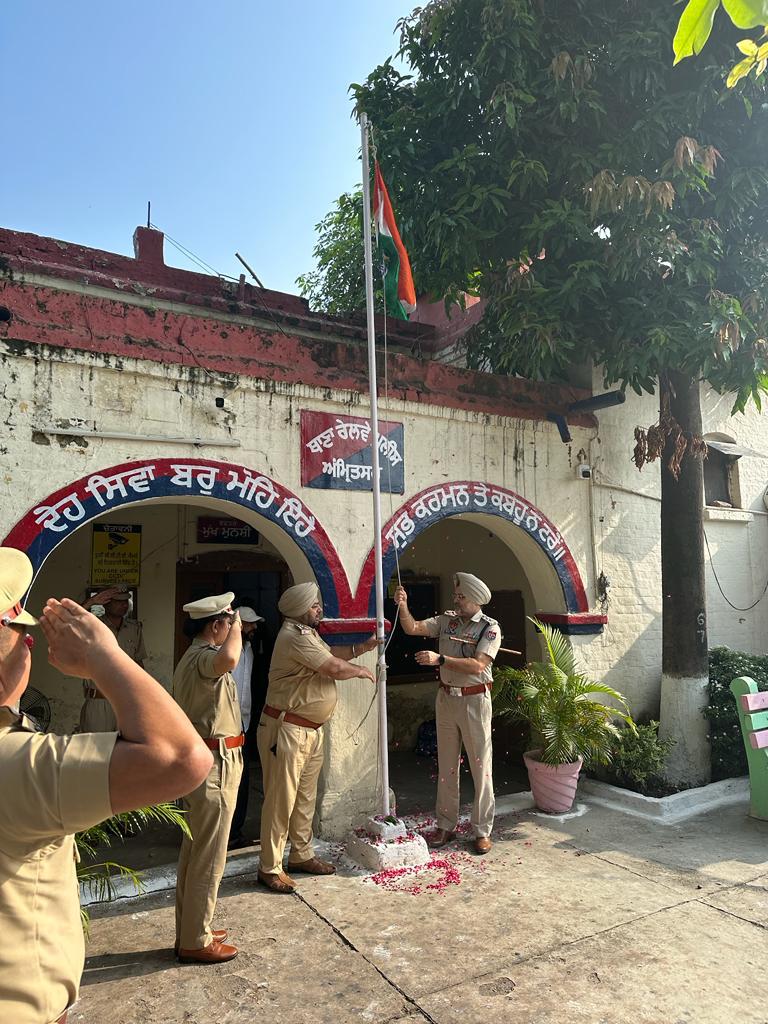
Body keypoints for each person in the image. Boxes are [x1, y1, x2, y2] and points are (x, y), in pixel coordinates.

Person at [0, 547, 212, 1024]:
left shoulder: (135, 629)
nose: (29, 642)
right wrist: (102, 656)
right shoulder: (22, 765)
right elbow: (181, 759)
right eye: (19, 631)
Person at [257, 582, 376, 893]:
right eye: (314, 606)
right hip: (287, 729)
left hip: (309, 730)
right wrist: (359, 670)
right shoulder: (292, 636)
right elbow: (333, 667)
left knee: (305, 798)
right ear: (299, 610)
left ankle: (301, 855)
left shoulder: (307, 634)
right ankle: (270, 866)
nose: (319, 609)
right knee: (281, 800)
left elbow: (329, 654)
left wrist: (361, 649)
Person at [394, 572, 501, 855]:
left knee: (480, 767)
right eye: (456, 595)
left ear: (476, 599)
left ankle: (482, 830)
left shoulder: (489, 629)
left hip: (475, 701)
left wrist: (440, 659)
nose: (456, 599)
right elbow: (413, 628)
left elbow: (478, 666)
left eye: (461, 596)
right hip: (446, 698)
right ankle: (446, 824)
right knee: (447, 766)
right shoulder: (446, 621)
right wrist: (403, 605)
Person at [172, 593, 244, 964]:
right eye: (227, 624)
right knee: (209, 855)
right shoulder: (204, 657)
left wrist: (232, 625)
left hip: (212, 758)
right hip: (215, 763)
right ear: (216, 625)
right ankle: (196, 939)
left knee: (196, 851)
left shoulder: (196, 658)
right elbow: (230, 657)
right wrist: (238, 626)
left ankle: (192, 927)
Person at [79, 585, 147, 732]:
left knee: (124, 751)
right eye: (118, 601)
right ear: (106, 603)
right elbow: (72, 620)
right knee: (95, 751)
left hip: (125, 701)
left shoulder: (134, 629)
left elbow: (139, 664)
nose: (123, 605)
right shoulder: (93, 625)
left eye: (126, 601)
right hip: (99, 701)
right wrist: (91, 602)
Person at [228, 605, 265, 850]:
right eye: (248, 624)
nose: (252, 628)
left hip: (244, 721)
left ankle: (235, 832)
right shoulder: (224, 651)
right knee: (228, 781)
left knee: (242, 780)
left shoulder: (249, 649)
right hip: (226, 723)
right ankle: (226, 833)